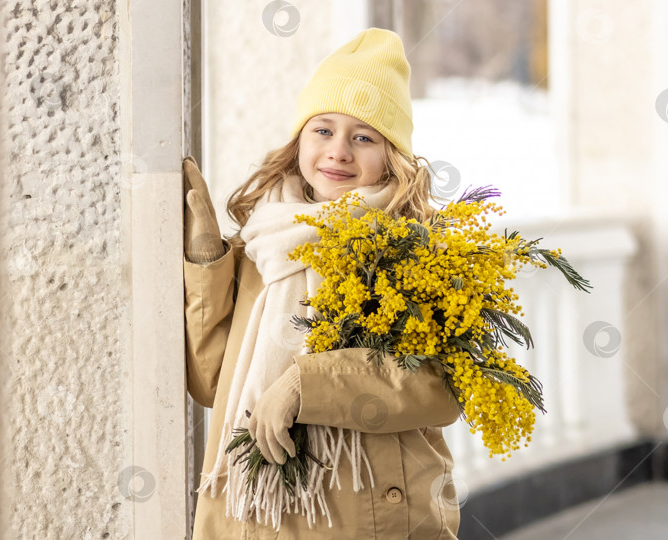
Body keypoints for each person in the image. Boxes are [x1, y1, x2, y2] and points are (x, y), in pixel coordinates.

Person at [183, 27, 462, 539]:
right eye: (323, 130)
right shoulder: (260, 248)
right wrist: (207, 262)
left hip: (372, 518)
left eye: (364, 137)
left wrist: (303, 384)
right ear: (299, 141)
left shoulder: (414, 250)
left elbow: (438, 387)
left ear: (391, 157)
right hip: (261, 519)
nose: (338, 151)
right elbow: (210, 385)